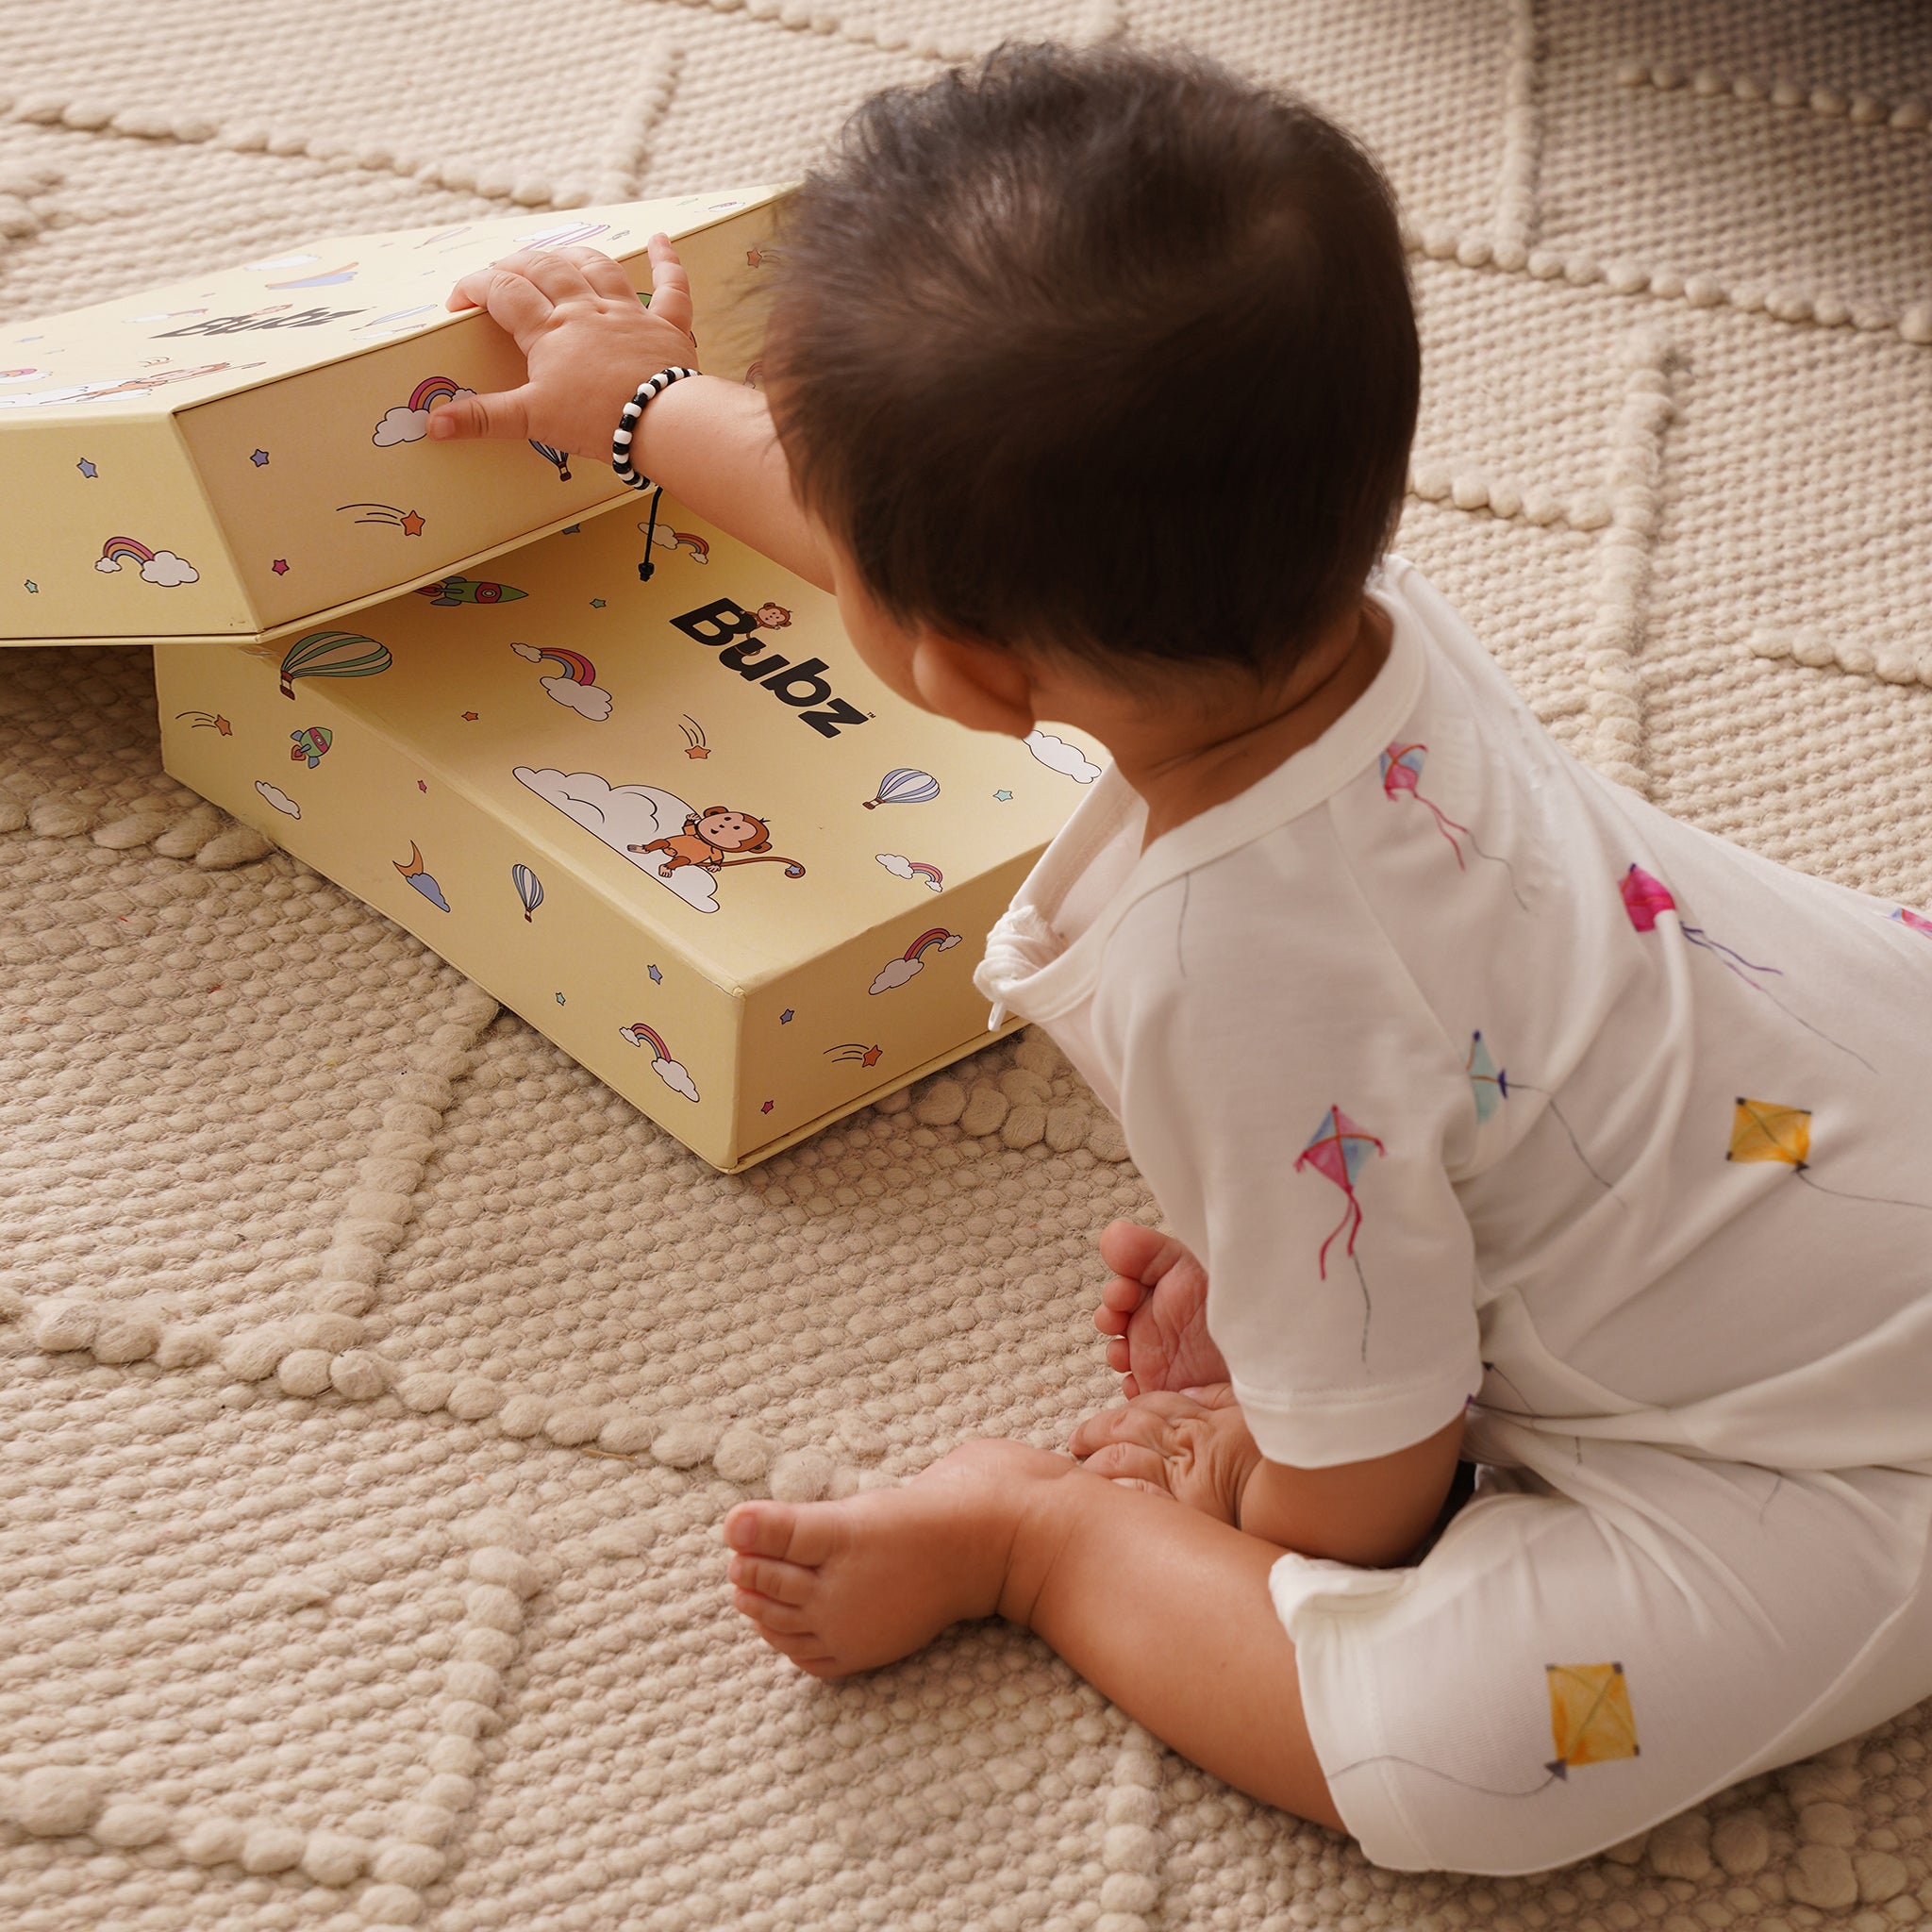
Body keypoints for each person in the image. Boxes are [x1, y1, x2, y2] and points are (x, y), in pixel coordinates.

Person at [429, 42, 1932, 1876]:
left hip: (1828, 1427)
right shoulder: (1342, 610)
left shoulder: (1219, 967)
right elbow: (928, 553)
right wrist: (645, 404)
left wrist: (1254, 1466)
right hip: (1821, 1090)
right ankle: (1370, 1265)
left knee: (1472, 1756)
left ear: (964, 667)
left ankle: (1034, 1542)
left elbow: (1368, 1490)